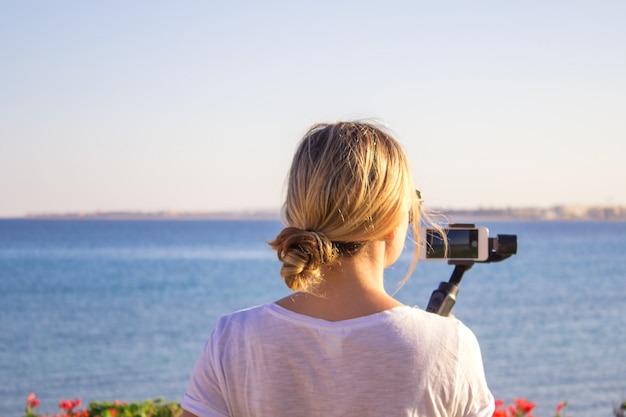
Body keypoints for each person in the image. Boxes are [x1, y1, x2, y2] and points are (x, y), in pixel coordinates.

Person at [181, 121, 495, 417]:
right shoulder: (451, 346)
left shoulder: (233, 339)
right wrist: (438, 340)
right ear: (391, 220)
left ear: (296, 212)